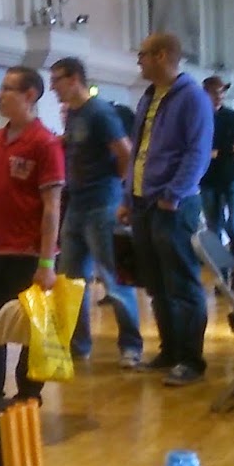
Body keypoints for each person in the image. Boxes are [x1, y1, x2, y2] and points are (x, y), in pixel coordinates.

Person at [0, 66, 64, 400]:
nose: (0, 95)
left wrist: (46, 263)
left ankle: (28, 394)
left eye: (7, 89)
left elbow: (52, 207)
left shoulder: (45, 143)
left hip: (29, 256)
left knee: (33, 330)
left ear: (29, 95)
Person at [120, 33, 213, 387]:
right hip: (143, 203)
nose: (138, 61)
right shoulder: (148, 97)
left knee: (182, 283)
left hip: (174, 205)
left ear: (161, 56)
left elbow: (197, 153)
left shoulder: (192, 97)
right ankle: (170, 351)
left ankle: (191, 359)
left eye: (142, 54)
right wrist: (128, 197)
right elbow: (138, 151)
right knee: (157, 284)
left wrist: (173, 194)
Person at [47, 57, 143, 367]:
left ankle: (131, 347)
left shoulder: (100, 112)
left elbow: (125, 153)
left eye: (56, 80)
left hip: (103, 205)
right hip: (77, 205)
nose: (52, 87)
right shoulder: (74, 114)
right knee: (71, 281)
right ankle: (78, 346)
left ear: (74, 78)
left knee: (114, 280)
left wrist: (115, 189)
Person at [198, 75, 234, 282]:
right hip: (208, 179)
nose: (219, 96)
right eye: (214, 92)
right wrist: (226, 151)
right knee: (214, 229)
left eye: (221, 92)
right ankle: (221, 276)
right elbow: (198, 149)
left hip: (232, 177)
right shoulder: (199, 118)